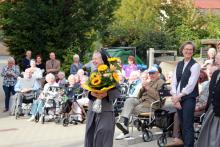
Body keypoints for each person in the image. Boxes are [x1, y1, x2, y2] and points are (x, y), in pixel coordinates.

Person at [115, 66, 164, 140]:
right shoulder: (149, 82)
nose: (151, 75)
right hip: (142, 102)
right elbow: (139, 96)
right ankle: (124, 124)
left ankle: (128, 129)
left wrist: (148, 88)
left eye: (153, 73)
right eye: (150, 73)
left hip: (151, 105)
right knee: (129, 100)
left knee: (131, 108)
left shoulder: (161, 82)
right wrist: (142, 89)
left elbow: (158, 97)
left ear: (158, 74)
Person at [84, 49, 120, 147]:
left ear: (103, 60)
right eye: (92, 59)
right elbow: (86, 90)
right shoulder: (93, 73)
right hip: (92, 111)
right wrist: (92, 93)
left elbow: (118, 91)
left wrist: (106, 94)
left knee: (104, 136)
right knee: (90, 136)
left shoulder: (111, 73)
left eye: (95, 59)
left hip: (106, 111)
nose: (93, 61)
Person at [170, 41, 200, 147]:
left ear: (193, 52)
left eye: (190, 49)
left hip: (188, 98)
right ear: (182, 50)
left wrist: (178, 97)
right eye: (186, 49)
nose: (188, 51)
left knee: (187, 125)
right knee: (182, 124)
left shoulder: (195, 65)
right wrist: (174, 95)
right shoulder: (179, 64)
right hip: (178, 97)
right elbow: (174, 81)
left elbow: (191, 85)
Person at [195, 53, 220, 147]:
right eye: (215, 59)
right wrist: (207, 108)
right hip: (212, 110)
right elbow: (211, 93)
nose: (215, 62)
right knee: (208, 136)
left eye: (217, 60)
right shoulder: (216, 73)